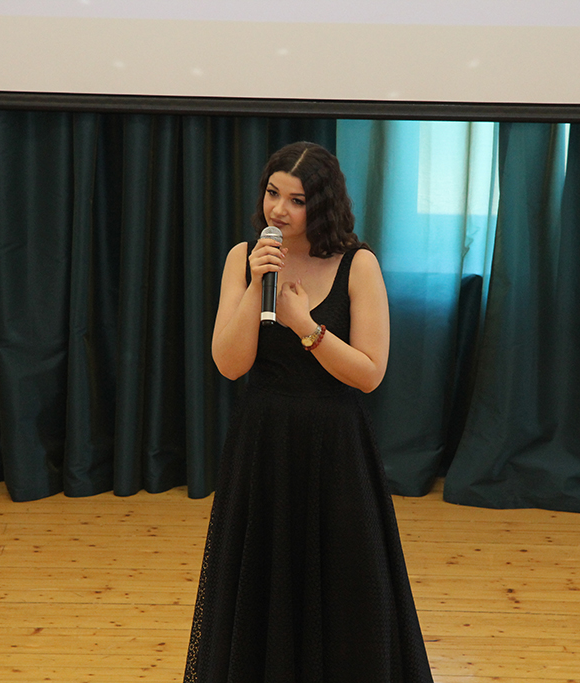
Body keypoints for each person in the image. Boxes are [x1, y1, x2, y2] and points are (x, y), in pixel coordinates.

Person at [184, 141, 433, 682]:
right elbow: (229, 364)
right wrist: (257, 284)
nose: (278, 210)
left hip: (335, 448)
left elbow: (369, 373)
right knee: (259, 591)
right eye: (273, 193)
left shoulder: (358, 264)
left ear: (321, 204)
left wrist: (304, 324)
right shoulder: (243, 258)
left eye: (296, 201)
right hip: (263, 446)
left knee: (344, 590)